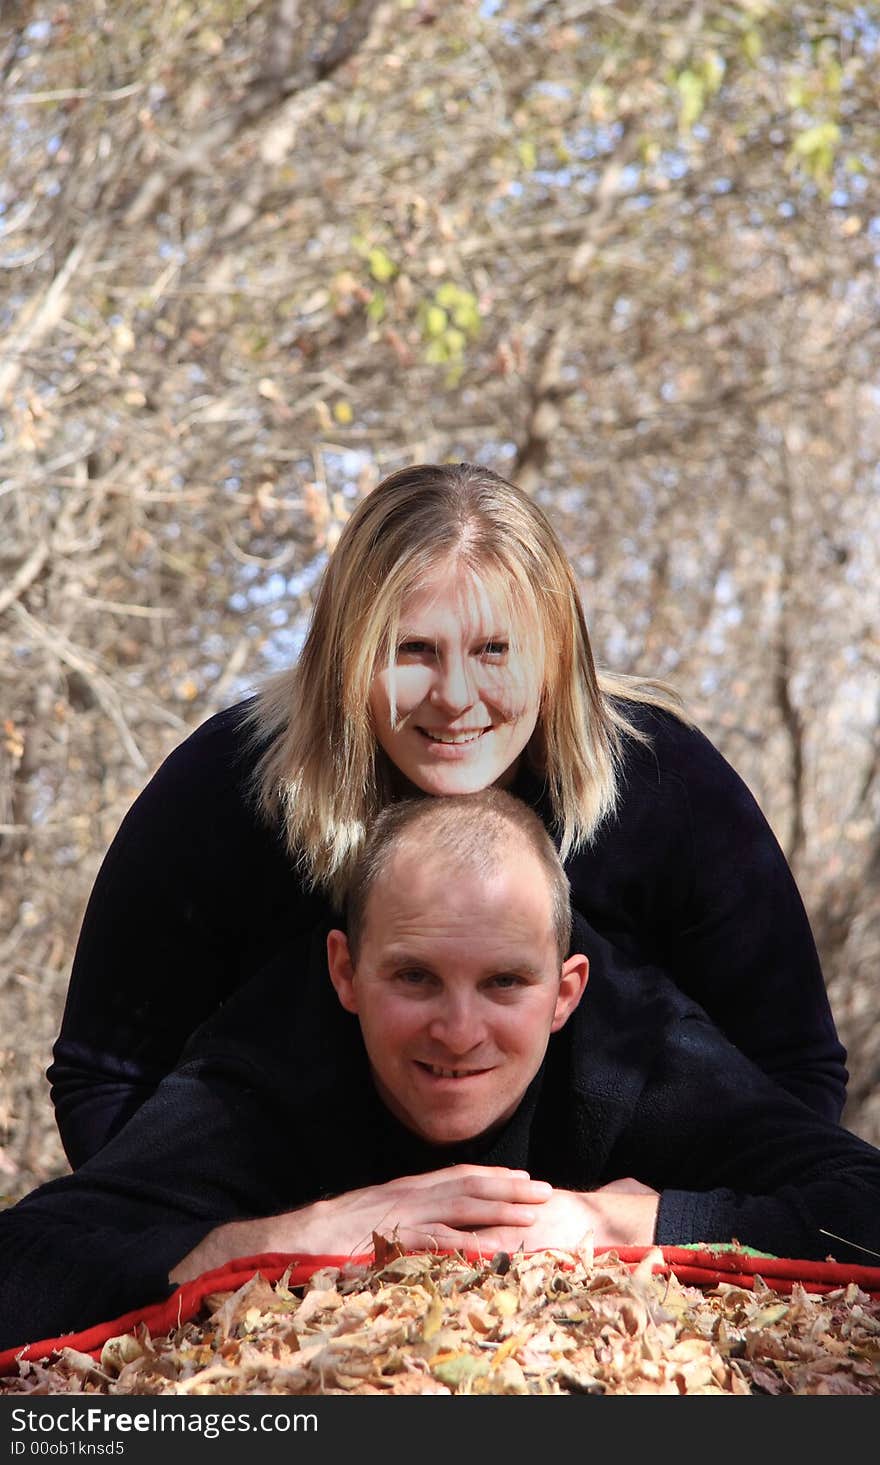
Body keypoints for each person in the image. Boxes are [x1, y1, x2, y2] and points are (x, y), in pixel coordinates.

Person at [48, 462, 847, 1170]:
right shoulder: (228, 788)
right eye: (414, 650)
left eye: (495, 650)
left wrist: (643, 1235)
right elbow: (104, 1076)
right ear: (346, 651)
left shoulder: (671, 788)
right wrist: (255, 1250)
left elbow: (793, 1068)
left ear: (555, 653)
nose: (455, 696)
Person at [0, 790, 877, 1353]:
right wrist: (294, 1233)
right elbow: (28, 1261)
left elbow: (860, 1203)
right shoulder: (265, 1069)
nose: (460, 1032)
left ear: (567, 990)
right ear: (344, 972)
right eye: (415, 977)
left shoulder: (637, 1046)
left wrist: (626, 1217)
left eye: (505, 982)